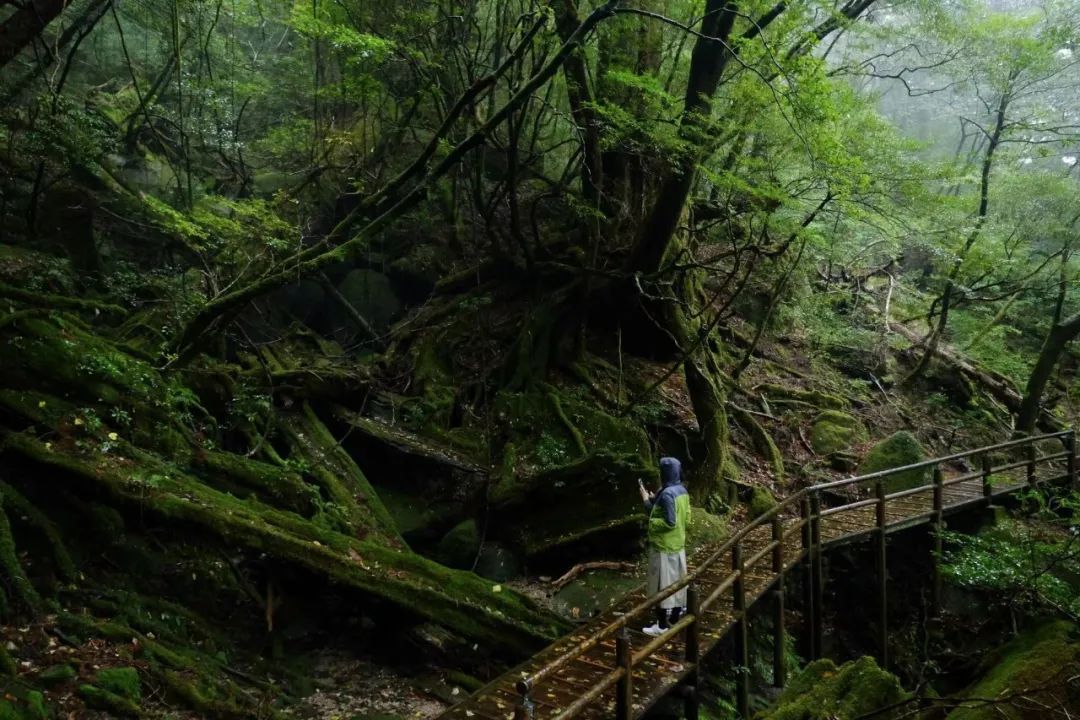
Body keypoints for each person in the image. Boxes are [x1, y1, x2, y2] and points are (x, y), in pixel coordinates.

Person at [638, 456, 690, 637]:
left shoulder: (667, 494)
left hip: (664, 548)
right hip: (678, 546)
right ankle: (674, 618)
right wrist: (655, 500)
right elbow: (687, 518)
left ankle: (661, 625)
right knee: (678, 583)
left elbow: (670, 522)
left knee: (661, 585)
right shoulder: (681, 490)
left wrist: (646, 503)